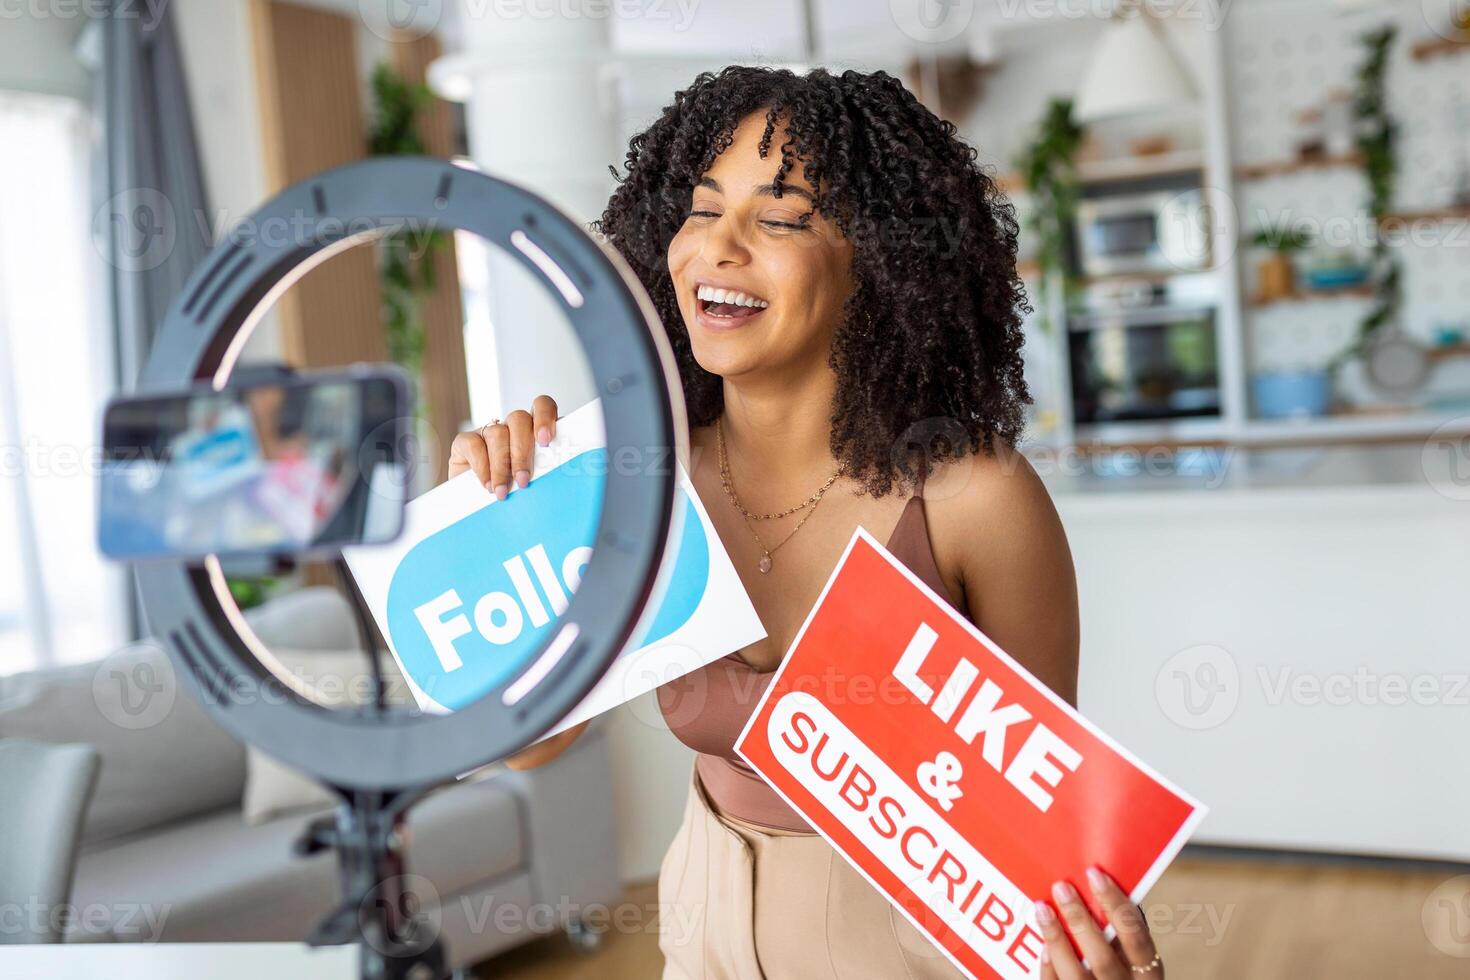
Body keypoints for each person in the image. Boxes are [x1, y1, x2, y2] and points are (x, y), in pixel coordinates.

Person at [449, 66, 1164, 980]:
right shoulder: (644, 480)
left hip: (912, 947)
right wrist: (507, 525)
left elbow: (1036, 815)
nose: (719, 247)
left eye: (781, 218)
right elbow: (529, 744)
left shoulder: (972, 497)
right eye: (702, 209)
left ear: (882, 264)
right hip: (703, 922)